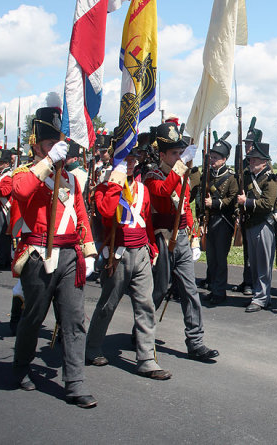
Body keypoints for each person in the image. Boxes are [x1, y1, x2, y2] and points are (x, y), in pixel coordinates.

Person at [10, 103, 98, 408]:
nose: (58, 149)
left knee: (74, 321)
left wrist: (89, 252)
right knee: (33, 318)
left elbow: (81, 216)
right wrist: (48, 161)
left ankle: (75, 383)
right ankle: (21, 367)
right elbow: (20, 192)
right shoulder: (25, 173)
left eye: (59, 145)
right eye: (50, 144)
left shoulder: (72, 180)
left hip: (70, 255)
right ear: (37, 146)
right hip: (39, 256)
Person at [86, 146, 171, 380]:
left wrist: (151, 247)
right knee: (108, 305)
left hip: (141, 251)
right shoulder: (105, 188)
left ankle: (146, 359)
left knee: (146, 305)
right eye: (125, 159)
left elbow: (146, 221)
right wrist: (115, 182)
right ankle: (92, 347)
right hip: (118, 254)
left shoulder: (142, 189)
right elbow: (106, 210)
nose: (130, 163)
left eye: (133, 159)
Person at [143, 122, 219, 362]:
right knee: (158, 290)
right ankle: (142, 332)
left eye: (180, 152)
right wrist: (180, 167)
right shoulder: (152, 176)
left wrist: (192, 235)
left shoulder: (183, 173)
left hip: (182, 238)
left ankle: (196, 341)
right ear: (162, 155)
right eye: (174, 153)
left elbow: (185, 206)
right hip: (162, 239)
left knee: (190, 290)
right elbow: (164, 192)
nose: (179, 156)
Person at [237, 141, 277, 312]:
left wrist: (246, 202)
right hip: (251, 223)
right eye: (250, 160)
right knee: (254, 263)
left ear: (264, 161)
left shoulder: (270, 180)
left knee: (263, 264)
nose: (251, 162)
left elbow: (267, 204)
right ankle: (258, 294)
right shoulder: (250, 177)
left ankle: (261, 298)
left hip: (264, 224)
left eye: (255, 160)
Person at [201, 132, 238, 305]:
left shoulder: (231, 178)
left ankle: (220, 291)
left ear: (224, 159)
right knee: (211, 258)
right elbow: (201, 199)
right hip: (209, 221)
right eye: (211, 157)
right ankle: (214, 287)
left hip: (223, 221)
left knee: (220, 259)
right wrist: (201, 218)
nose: (212, 160)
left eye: (216, 157)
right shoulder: (207, 176)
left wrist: (214, 203)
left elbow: (232, 199)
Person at [234, 119, 261, 296]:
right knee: (246, 251)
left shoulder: (260, 163)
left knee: (256, 253)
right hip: (243, 211)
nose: (247, 147)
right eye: (246, 144)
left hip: (255, 210)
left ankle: (254, 282)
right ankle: (247, 280)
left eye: (250, 144)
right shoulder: (243, 163)